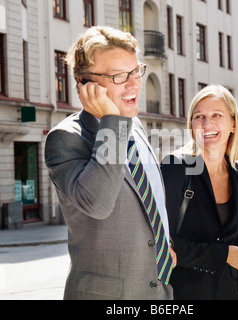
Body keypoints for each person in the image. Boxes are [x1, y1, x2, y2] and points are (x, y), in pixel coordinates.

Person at [45, 26, 176, 300]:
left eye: (135, 71)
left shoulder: (136, 126)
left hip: (158, 291)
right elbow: (98, 204)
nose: (133, 84)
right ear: (85, 84)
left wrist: (165, 245)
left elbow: (150, 199)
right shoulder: (66, 138)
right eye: (118, 76)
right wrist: (112, 123)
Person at [160, 85, 238, 300]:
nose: (207, 124)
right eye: (199, 116)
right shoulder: (175, 167)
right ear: (191, 125)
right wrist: (224, 255)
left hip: (229, 292)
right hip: (181, 295)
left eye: (217, 114)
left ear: (233, 123)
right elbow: (160, 243)